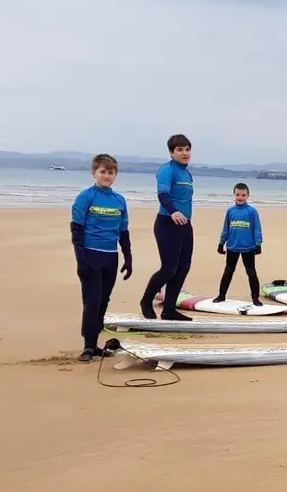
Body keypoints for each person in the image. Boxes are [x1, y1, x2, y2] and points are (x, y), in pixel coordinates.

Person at [70, 154, 132, 361]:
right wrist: (80, 258)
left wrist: (128, 257)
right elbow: (76, 229)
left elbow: (123, 231)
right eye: (102, 172)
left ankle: (95, 343)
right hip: (90, 255)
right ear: (94, 173)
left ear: (115, 175)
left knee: (104, 300)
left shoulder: (119, 200)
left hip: (110, 257)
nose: (107, 176)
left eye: (111, 172)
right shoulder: (85, 197)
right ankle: (88, 345)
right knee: (92, 300)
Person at [139, 134, 195, 321]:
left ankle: (169, 309)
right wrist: (173, 212)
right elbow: (163, 195)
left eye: (187, 149)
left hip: (185, 225)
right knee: (169, 268)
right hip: (167, 223)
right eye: (180, 149)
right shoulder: (167, 170)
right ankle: (146, 300)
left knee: (183, 266)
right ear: (171, 153)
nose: (184, 153)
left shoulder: (186, 173)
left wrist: (183, 217)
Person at [215, 182, 263, 304]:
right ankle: (221, 296)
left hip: (248, 247)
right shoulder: (230, 211)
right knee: (228, 272)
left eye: (243, 195)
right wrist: (221, 243)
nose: (240, 197)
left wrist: (258, 244)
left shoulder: (252, 211)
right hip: (232, 247)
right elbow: (226, 229)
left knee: (251, 273)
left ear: (248, 196)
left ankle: (255, 298)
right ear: (233, 195)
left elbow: (257, 228)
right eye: (237, 195)